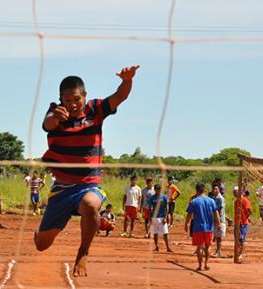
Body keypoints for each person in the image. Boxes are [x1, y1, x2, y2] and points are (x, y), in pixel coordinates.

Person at [34, 65, 140, 277]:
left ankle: (83, 252)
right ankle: (39, 234)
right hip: (62, 190)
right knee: (41, 245)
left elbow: (120, 96)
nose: (72, 105)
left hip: (88, 185)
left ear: (84, 96)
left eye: (76, 99)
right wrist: (55, 116)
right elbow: (47, 124)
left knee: (91, 205)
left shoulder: (96, 109)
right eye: (67, 100)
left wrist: (127, 80)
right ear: (61, 99)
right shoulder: (55, 111)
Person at [185, 183, 221, 271]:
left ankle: (200, 265)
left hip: (198, 228)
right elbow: (216, 212)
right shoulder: (211, 201)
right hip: (209, 227)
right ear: (204, 190)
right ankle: (206, 264)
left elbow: (189, 214)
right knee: (208, 246)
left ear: (196, 190)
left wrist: (186, 224)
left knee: (199, 247)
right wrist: (218, 223)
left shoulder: (194, 201)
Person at [149, 184, 172, 252]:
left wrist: (165, 217)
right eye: (157, 189)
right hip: (154, 217)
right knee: (155, 233)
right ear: (155, 190)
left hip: (162, 217)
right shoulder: (152, 198)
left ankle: (168, 247)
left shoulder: (164, 197)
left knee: (165, 233)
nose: (158, 191)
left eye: (159, 189)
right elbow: (150, 208)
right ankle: (156, 246)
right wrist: (150, 218)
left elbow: (167, 207)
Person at [234, 186, 252, 262]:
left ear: (240, 192)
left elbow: (249, 210)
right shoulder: (236, 201)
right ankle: (238, 252)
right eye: (234, 191)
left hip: (243, 223)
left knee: (241, 239)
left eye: (235, 191)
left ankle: (241, 253)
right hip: (237, 223)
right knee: (237, 239)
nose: (234, 193)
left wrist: (246, 217)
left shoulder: (244, 200)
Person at [212, 185, 226, 258]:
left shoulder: (220, 199)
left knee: (219, 237)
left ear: (219, 190)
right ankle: (218, 251)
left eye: (216, 189)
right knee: (217, 237)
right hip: (216, 220)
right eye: (214, 189)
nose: (214, 190)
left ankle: (218, 251)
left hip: (219, 220)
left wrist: (218, 221)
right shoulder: (214, 198)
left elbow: (220, 211)